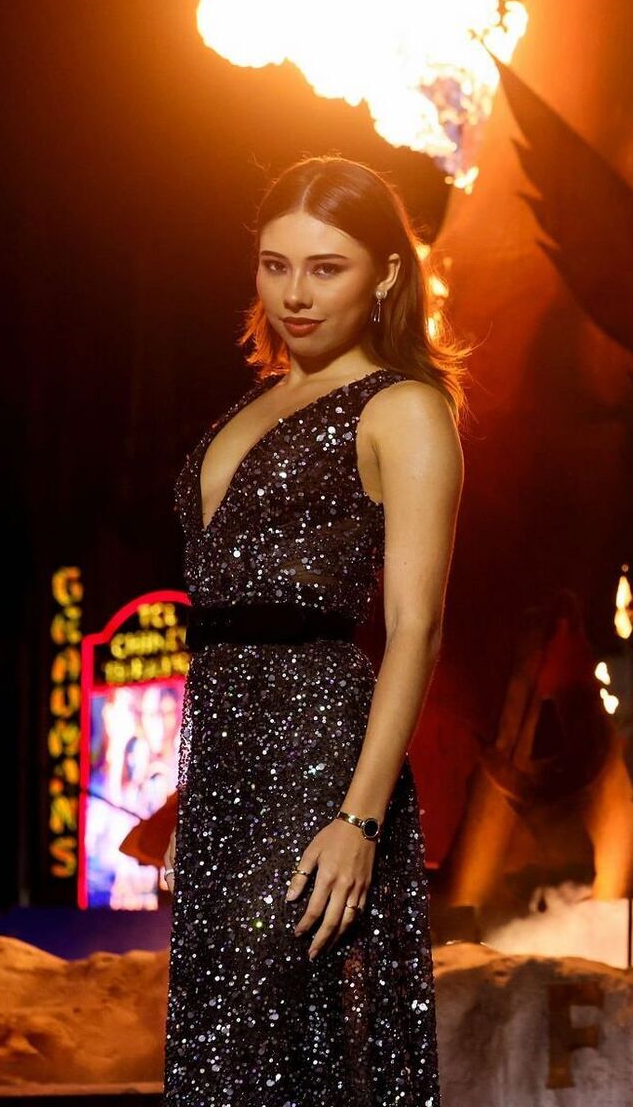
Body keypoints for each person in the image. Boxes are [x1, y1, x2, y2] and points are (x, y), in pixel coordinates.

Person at [159, 155, 469, 1104]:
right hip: (223, 765)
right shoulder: (252, 404)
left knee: (284, 1046)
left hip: (321, 759)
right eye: (275, 265)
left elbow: (415, 628)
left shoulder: (403, 408)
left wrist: (360, 818)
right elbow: (227, 622)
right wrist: (193, 795)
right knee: (221, 1056)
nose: (295, 294)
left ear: (385, 273)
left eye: (326, 268)